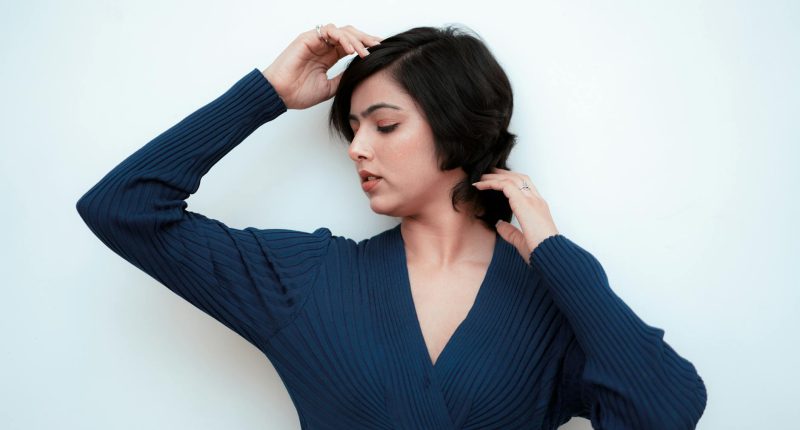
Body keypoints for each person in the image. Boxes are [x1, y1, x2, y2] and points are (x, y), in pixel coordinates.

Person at [76, 23, 707, 430]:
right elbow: (123, 208)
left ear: (458, 127)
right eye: (352, 130)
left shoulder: (550, 302)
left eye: (384, 125)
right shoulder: (306, 279)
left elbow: (667, 411)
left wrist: (556, 257)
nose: (357, 148)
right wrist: (266, 93)